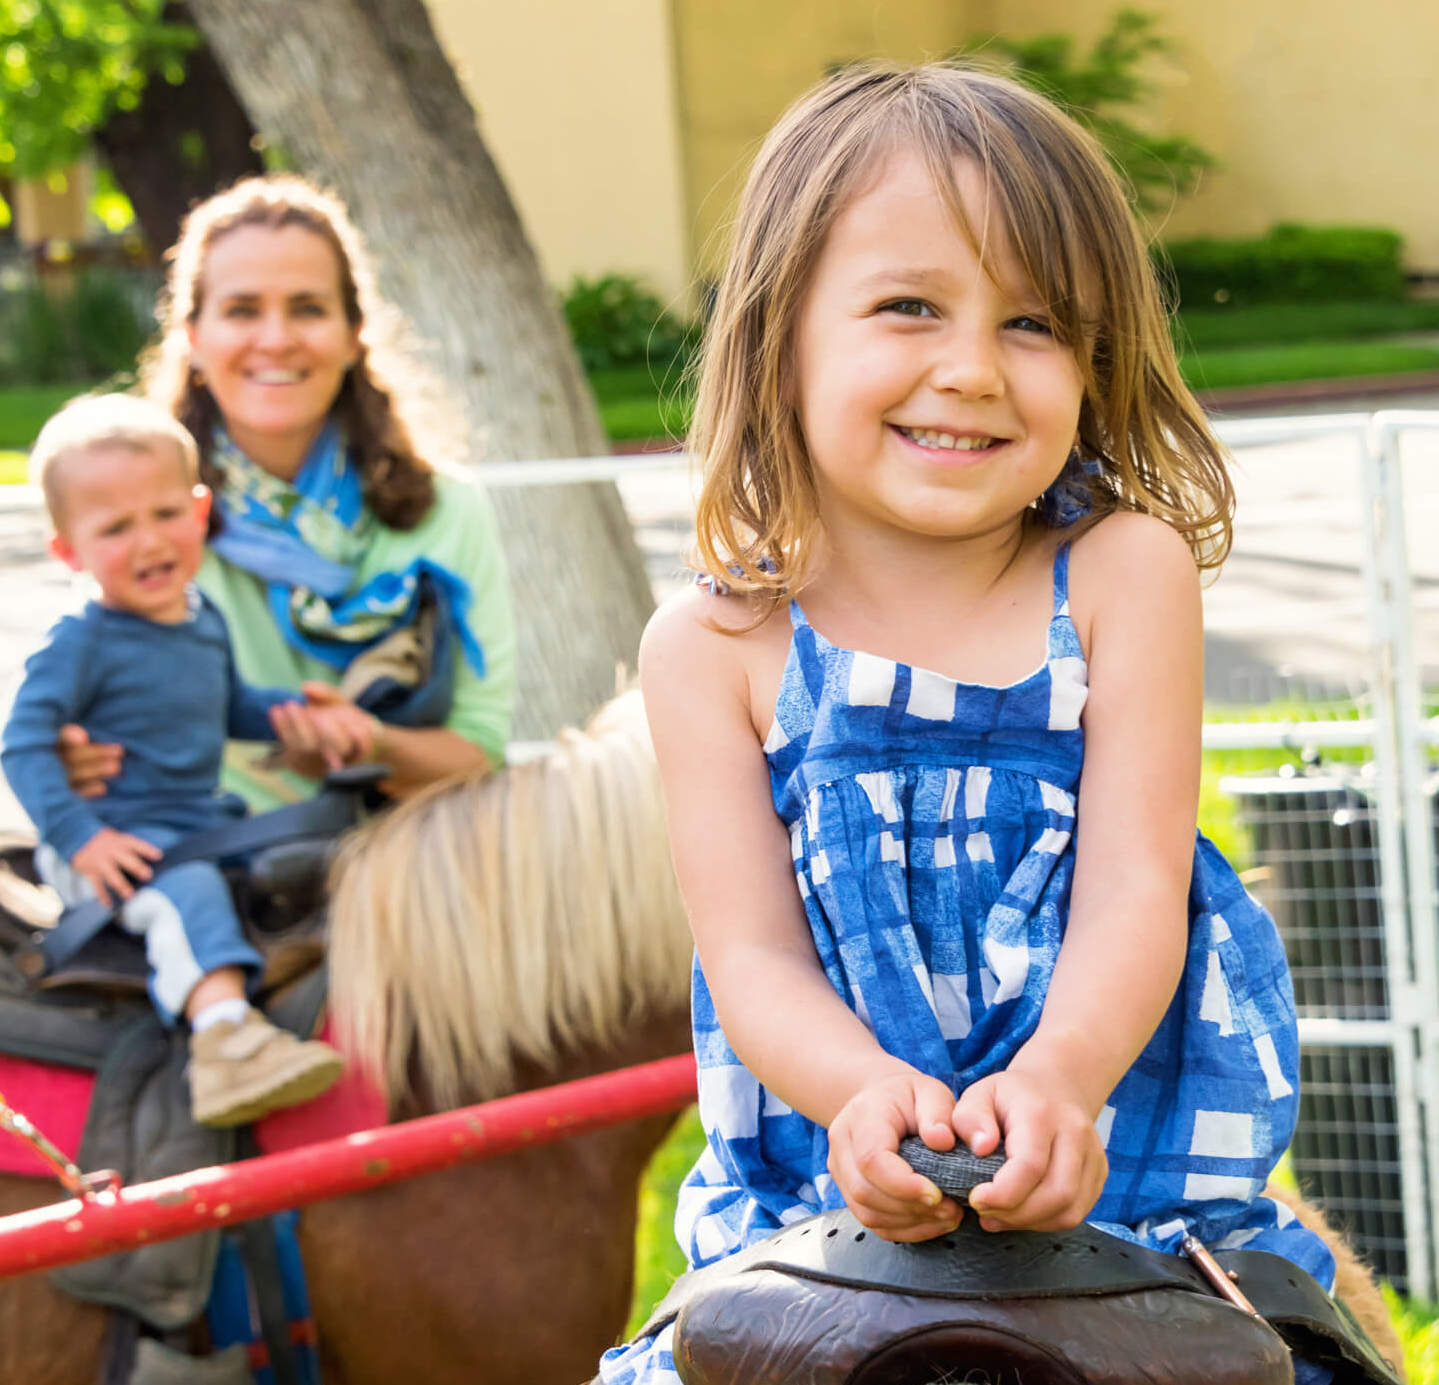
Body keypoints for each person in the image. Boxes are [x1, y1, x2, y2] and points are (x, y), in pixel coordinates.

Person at [609, 62, 1341, 1385]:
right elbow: (751, 958)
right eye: (906, 308)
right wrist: (856, 1093)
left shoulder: (1122, 577)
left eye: (1032, 324)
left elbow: (1133, 889)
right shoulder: (711, 650)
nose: (969, 370)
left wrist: (1057, 1075)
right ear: (778, 337)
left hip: (1123, 1172)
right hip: (824, 1200)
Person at [55, 174, 516, 812]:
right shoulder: (141, 517)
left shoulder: (448, 513)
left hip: (409, 875)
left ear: (356, 333)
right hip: (201, 869)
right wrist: (73, 758)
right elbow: (89, 709)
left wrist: (372, 745)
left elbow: (480, 749)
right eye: (242, 310)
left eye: (307, 307)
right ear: (192, 337)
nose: (275, 339)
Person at [1, 394, 354, 1126]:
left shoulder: (202, 617)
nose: (149, 541)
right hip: (117, 844)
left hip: (197, 821)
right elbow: (24, 742)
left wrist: (294, 713)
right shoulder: (80, 642)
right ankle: (226, 1043)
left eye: (164, 514)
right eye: (116, 527)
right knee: (187, 891)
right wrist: (81, 837)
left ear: (199, 511)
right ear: (68, 550)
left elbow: (226, 706)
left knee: (311, 859)